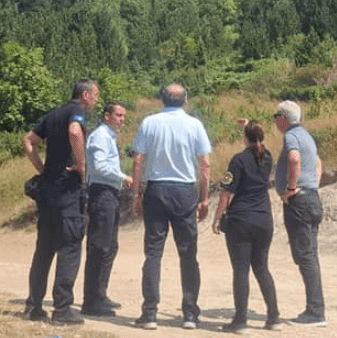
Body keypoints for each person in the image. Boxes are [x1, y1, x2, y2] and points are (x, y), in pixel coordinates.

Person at [130, 83, 212, 330]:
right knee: (188, 254)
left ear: (161, 100)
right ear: (185, 100)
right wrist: (204, 197)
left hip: (156, 188)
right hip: (185, 190)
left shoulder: (149, 123)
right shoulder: (195, 125)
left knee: (153, 252)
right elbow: (205, 166)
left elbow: (138, 159)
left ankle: (150, 313)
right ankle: (190, 313)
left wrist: (136, 193)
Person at [23, 79, 99, 326]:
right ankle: (63, 308)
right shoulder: (76, 112)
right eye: (95, 96)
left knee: (44, 250)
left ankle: (34, 306)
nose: (96, 101)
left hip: (48, 193)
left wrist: (43, 169)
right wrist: (81, 165)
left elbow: (28, 141)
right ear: (85, 95)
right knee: (70, 248)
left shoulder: (53, 114)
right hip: (68, 192)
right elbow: (75, 132)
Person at [212, 119, 282, 334]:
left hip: (241, 219)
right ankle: (273, 317)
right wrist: (248, 127)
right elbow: (255, 140)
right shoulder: (267, 157)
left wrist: (217, 217)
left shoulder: (238, 160)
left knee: (241, 269)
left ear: (245, 137)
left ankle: (240, 320)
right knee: (261, 268)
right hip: (264, 219)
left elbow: (226, 191)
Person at [273, 100, 326, 327]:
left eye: (276, 116)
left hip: (300, 203)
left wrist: (292, 188)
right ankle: (316, 309)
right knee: (309, 255)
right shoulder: (306, 135)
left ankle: (315, 312)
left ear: (283, 118)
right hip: (312, 198)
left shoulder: (291, 136)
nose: (275, 121)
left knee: (304, 256)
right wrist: (312, 183)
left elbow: (294, 159)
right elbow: (318, 163)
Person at [81, 101, 133, 317]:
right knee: (99, 247)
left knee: (110, 246)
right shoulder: (100, 136)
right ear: (106, 116)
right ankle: (91, 300)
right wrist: (123, 177)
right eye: (118, 115)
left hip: (110, 193)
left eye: (123, 116)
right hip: (101, 192)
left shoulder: (109, 136)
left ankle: (100, 294)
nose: (121, 119)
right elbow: (98, 166)